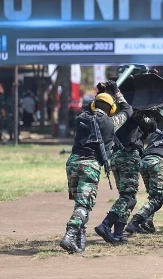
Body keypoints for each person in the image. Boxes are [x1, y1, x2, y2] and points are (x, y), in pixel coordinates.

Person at [60, 80, 133, 254]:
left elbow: (90, 108)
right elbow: (128, 110)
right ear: (111, 109)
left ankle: (79, 241)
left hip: (73, 163)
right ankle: (70, 235)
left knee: (80, 203)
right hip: (90, 166)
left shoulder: (81, 118)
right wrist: (116, 92)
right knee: (84, 206)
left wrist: (99, 93)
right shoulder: (110, 123)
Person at [94, 107, 156, 244]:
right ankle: (106, 224)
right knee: (128, 197)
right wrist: (151, 113)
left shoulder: (121, 113)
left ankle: (118, 233)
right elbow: (151, 125)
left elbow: (149, 127)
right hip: (128, 156)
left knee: (128, 198)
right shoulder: (134, 111)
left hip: (116, 156)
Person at [125, 124, 163, 234]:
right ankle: (135, 222)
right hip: (158, 160)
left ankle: (147, 223)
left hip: (145, 160)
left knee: (153, 196)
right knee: (158, 198)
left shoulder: (159, 129)